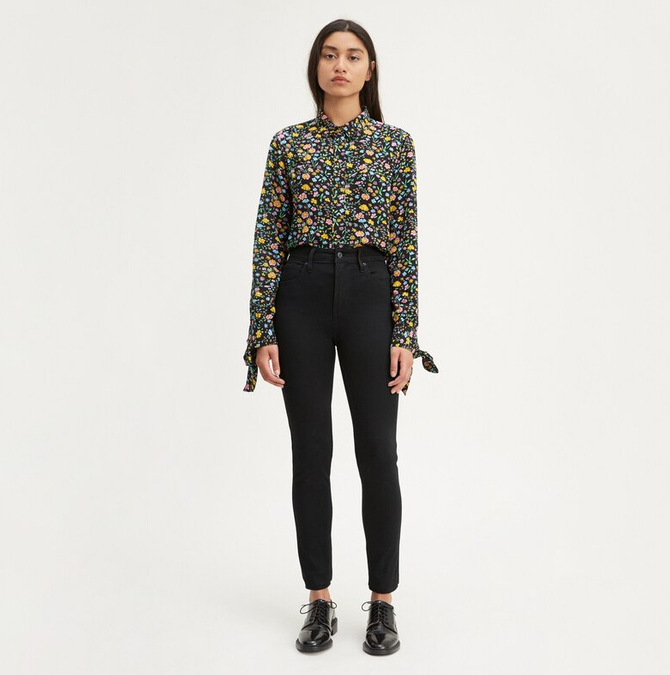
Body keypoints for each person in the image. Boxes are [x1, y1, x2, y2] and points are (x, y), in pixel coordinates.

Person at [240, 19, 439, 656]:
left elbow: (405, 240)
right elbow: (268, 236)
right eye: (330, 55)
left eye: (353, 56)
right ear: (316, 67)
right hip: (300, 293)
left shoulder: (395, 146)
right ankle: (320, 599)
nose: (341, 66)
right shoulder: (288, 144)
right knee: (312, 452)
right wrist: (262, 328)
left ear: (369, 69)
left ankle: (382, 602)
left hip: (370, 292)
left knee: (378, 451)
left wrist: (404, 331)